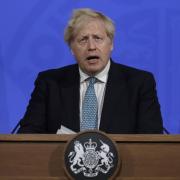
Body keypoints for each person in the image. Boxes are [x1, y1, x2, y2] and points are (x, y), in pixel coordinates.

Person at [17, 8, 163, 134]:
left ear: (111, 44)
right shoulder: (50, 83)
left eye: (98, 38)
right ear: (71, 48)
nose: (91, 46)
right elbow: (28, 136)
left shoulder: (139, 83)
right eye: (83, 40)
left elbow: (151, 140)